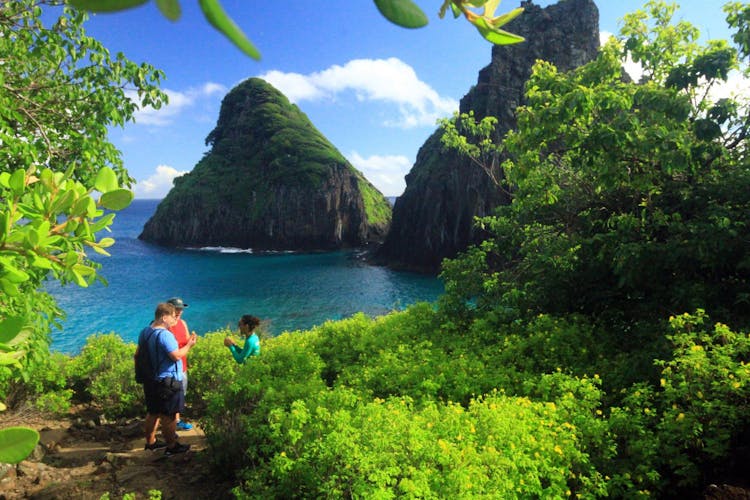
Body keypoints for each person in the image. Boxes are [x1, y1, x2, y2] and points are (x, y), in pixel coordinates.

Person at [136, 302, 197, 455]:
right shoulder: (165, 335)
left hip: (150, 380)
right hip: (167, 382)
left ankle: (150, 442)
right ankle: (172, 446)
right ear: (164, 317)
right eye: (172, 317)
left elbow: (137, 354)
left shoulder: (145, 332)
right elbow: (176, 356)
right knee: (169, 416)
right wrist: (189, 345)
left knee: (153, 412)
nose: (174, 320)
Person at [167, 297, 194, 431]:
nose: (179, 312)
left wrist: (191, 342)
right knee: (171, 398)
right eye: (176, 309)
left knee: (180, 396)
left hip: (182, 367)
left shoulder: (183, 323)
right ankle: (170, 426)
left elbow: (187, 342)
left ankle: (176, 422)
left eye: (181, 309)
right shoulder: (164, 326)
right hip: (169, 369)